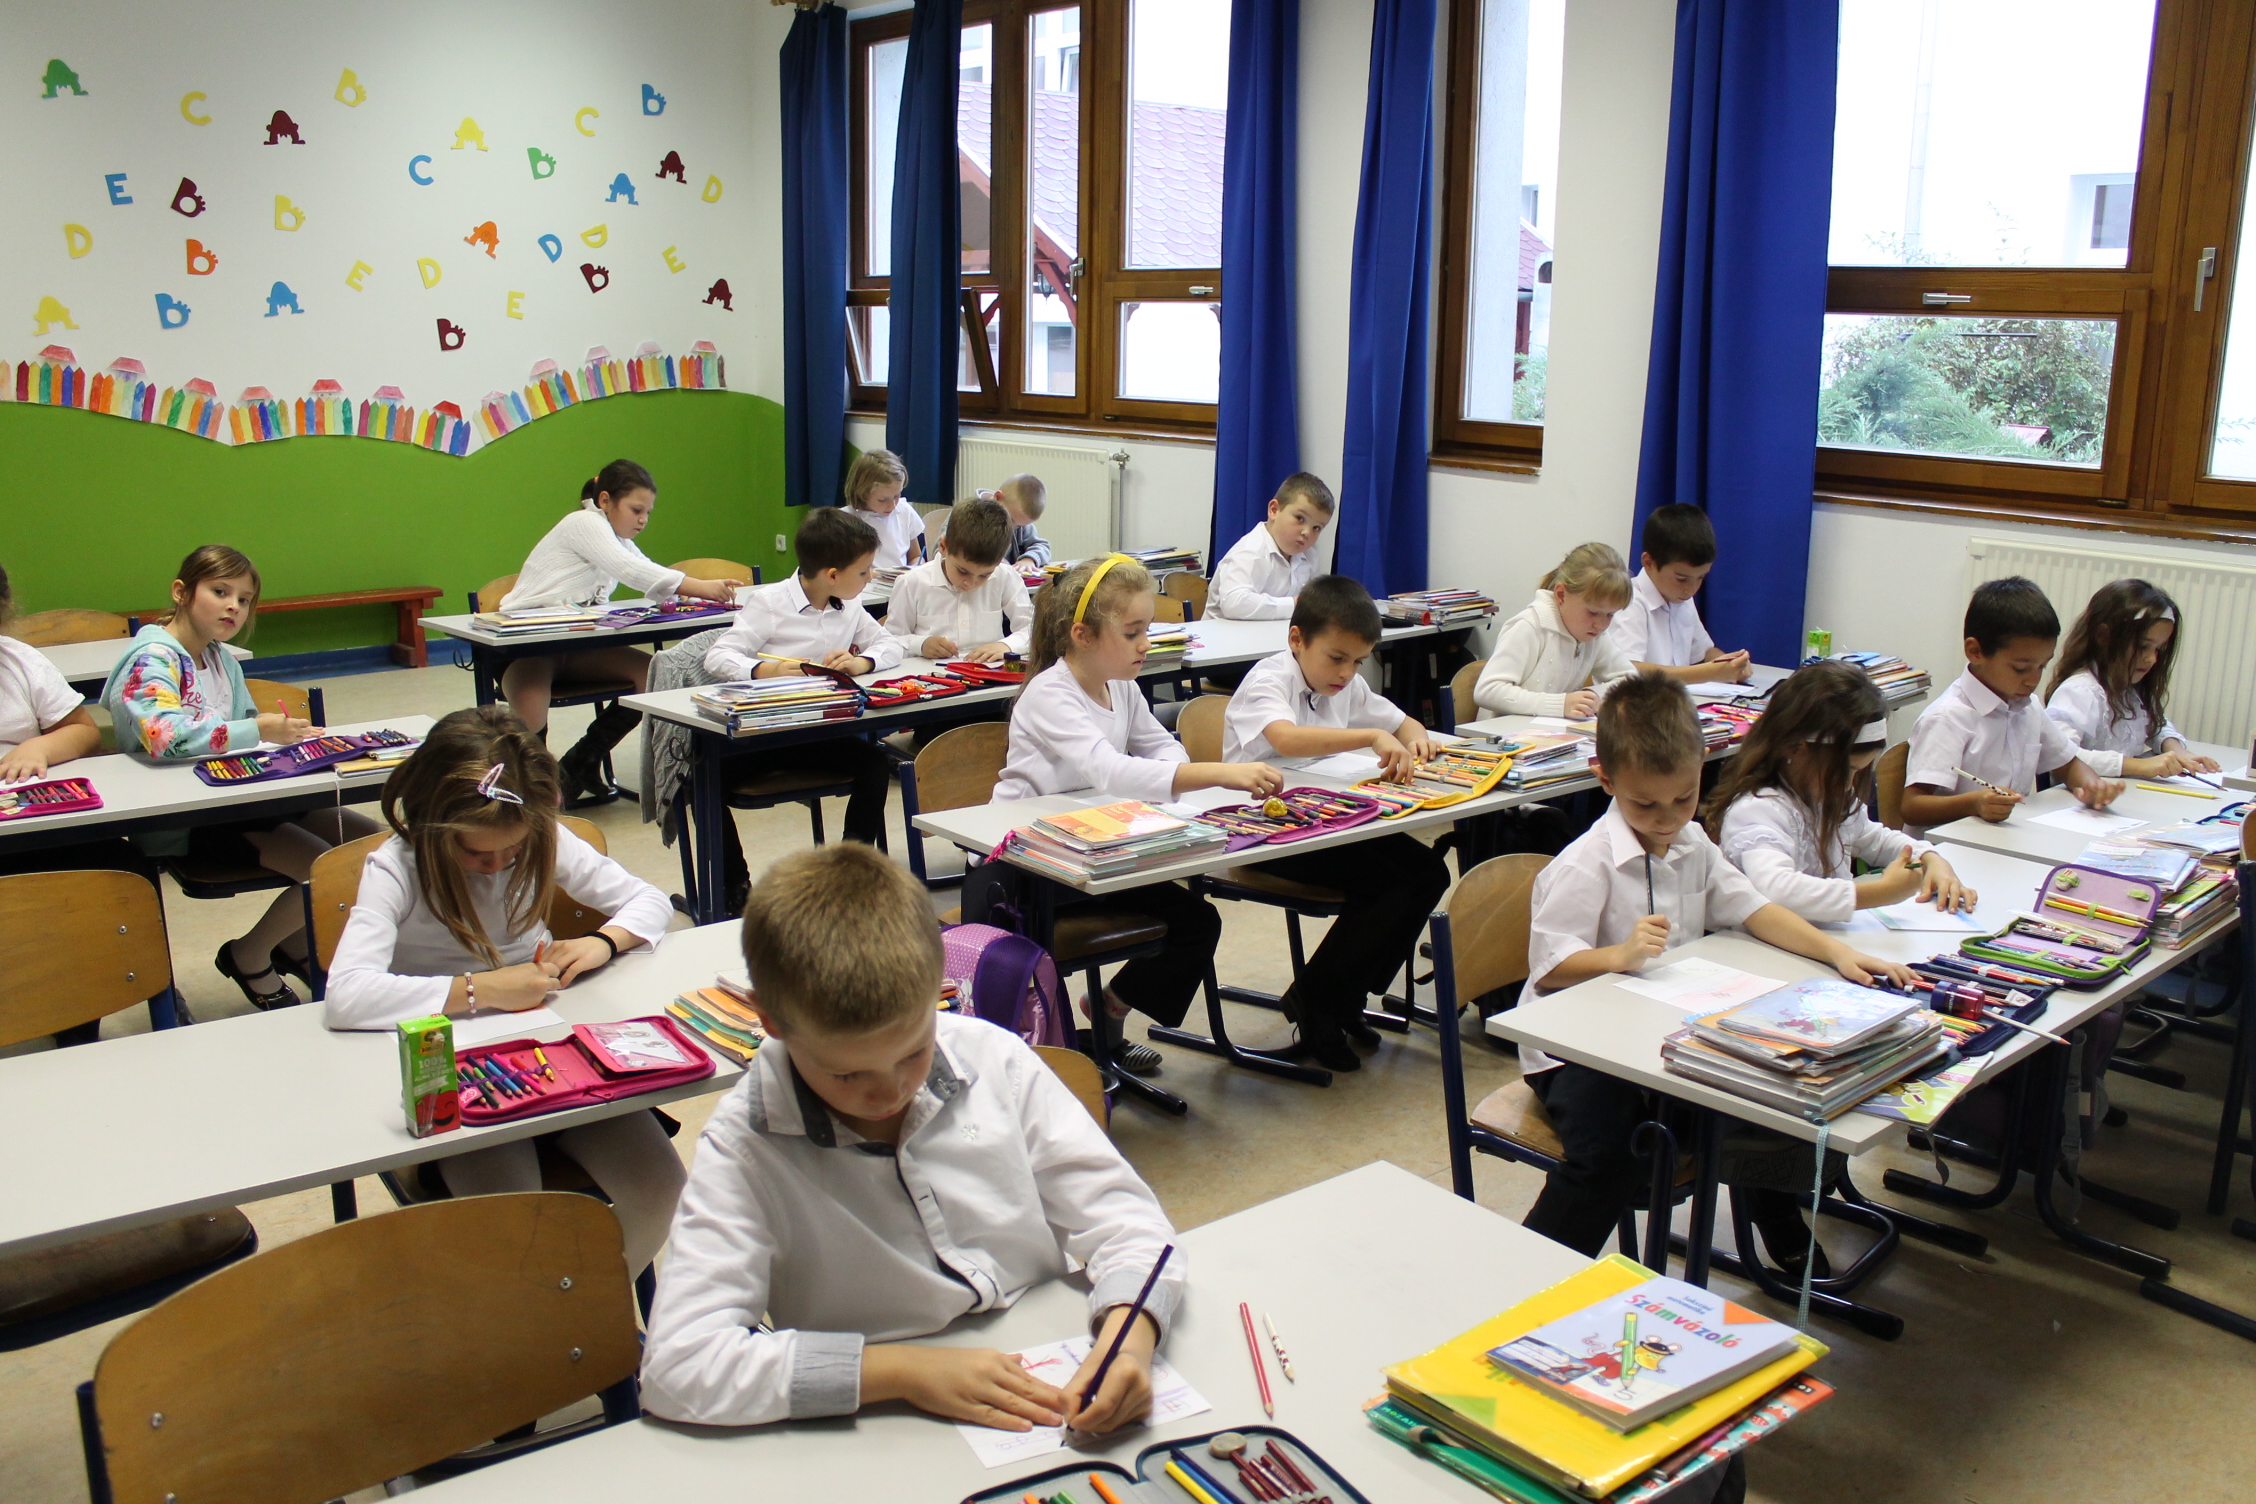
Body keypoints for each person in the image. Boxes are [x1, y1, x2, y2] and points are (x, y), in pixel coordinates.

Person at [640, 844, 1182, 1431]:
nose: (890, 1092)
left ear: (937, 991)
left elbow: (1129, 1224)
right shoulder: (745, 1145)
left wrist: (1130, 1340)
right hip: (885, 1421)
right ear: (771, 1021)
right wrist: (900, 1372)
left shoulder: (992, 1056)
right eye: (847, 1074)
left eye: (913, 1053)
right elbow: (678, 1367)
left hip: (1046, 1358)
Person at [1520, 673, 1916, 1263]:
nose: (1666, 818)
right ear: (1606, 780)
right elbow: (1550, 969)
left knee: (1754, 1096)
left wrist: (1836, 952)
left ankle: (1778, 1228)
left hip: (1659, 1031)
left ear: (1701, 770)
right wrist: (1616, 957)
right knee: (1612, 1155)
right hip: (1573, 1051)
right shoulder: (1586, 864)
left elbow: (1755, 909)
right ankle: (1533, 1274)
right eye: (1645, 804)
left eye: (1683, 798)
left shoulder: (1693, 843)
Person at [323, 707, 684, 1274]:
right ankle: (541, 1320)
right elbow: (346, 995)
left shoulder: (539, 833)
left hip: (559, 1054)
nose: (497, 866)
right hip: (456, 1068)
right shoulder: (396, 866)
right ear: (432, 824)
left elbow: (650, 901)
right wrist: (482, 989)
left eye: (511, 851)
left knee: (663, 1189)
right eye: (475, 854)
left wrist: (603, 942)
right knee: (520, 1222)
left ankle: (585, 1316)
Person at [985, 554, 1281, 1074]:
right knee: (1041, 954)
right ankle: (1050, 1053)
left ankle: (1107, 1012)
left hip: (1095, 851)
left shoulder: (1121, 683)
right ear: (1082, 635)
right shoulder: (1050, 692)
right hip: (1026, 867)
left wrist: (1180, 778)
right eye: (1132, 632)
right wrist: (1218, 773)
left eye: (1147, 629)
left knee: (1197, 923)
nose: (1146, 643)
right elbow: (1109, 770)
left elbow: (1160, 747)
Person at [101, 545, 376, 1010]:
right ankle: (249, 954)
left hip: (242, 797)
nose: (234, 606)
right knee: (331, 869)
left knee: (377, 848)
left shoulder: (219, 657)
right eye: (220, 592)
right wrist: (259, 730)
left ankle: (293, 942)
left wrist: (289, 741)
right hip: (189, 817)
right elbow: (164, 737)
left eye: (244, 599)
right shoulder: (151, 657)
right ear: (181, 592)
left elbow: (246, 730)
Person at [1221, 575, 1453, 1071]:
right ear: (1297, 639)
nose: (1347, 673)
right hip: (1263, 829)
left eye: (1358, 662)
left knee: (1429, 873)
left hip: (1324, 819)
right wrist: (1369, 736)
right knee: (1386, 885)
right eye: (1337, 658)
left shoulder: (1347, 683)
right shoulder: (1268, 680)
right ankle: (1320, 1001)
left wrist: (1418, 737)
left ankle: (1343, 996)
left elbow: (1400, 722)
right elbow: (1286, 738)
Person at [498, 460, 743, 807]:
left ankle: (580, 763)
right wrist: (701, 586)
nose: (643, 520)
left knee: (653, 676)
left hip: (577, 646)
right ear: (604, 501)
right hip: (527, 647)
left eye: (648, 513)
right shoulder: (583, 522)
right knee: (531, 704)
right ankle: (535, 793)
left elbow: (648, 570)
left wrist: (687, 595)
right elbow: (630, 570)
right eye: (636, 510)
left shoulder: (616, 536)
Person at [1708, 660, 1975, 922]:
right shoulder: (1756, 810)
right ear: (1793, 747)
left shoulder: (1828, 797)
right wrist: (1880, 892)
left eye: (1859, 772)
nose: (1849, 785)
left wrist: (1929, 858)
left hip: (1817, 940)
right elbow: (1777, 890)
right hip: (1761, 946)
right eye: (1846, 770)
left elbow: (1878, 840)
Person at [704, 505, 902, 850]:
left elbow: (890, 644)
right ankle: (734, 878)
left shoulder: (850, 604)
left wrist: (861, 662)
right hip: (765, 735)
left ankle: (851, 866)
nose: (870, 577)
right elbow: (717, 656)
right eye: (863, 571)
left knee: (874, 764)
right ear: (832, 575)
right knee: (704, 779)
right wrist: (766, 670)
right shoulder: (769, 604)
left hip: (819, 732)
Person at [1902, 577, 2125, 833]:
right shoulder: (1948, 717)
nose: (2033, 680)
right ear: (1975, 651)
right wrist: (1974, 804)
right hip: (1948, 848)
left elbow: (2067, 763)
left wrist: (2091, 786)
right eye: (2021, 668)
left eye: (2042, 666)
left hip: (2001, 838)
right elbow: (1912, 807)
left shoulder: (2028, 707)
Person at [0, 562, 157, 899]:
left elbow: (85, 733)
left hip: (35, 825)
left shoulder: (19, 661)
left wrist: (40, 747)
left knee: (126, 867)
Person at [2045, 578, 2222, 780]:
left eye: (2158, 649)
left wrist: (2176, 750)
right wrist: (2139, 765)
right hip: (2076, 798)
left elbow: (2156, 725)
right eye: (2143, 646)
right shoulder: (2080, 691)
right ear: (2104, 636)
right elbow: (2059, 754)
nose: (2152, 659)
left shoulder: (2128, 689)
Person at [1474, 542, 1637, 717]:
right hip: (1504, 731)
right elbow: (1487, 690)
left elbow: (1631, 680)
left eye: (1610, 615)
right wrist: (1560, 704)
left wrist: (1593, 696)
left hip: (1549, 730)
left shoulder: (1596, 635)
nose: (1602, 625)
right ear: (1561, 595)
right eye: (1593, 612)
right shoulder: (1529, 627)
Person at [1607, 504, 1752, 684]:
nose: (1692, 589)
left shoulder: (1682, 598)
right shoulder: (1629, 601)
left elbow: (1704, 652)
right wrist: (1710, 673)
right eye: (1682, 579)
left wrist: (1731, 664)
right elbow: (1629, 670)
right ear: (1649, 562)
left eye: (1701, 578)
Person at [884, 496, 1034, 663]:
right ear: (943, 547)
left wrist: (1006, 646)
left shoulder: (1005, 576)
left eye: (984, 575)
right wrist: (921, 645)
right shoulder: (912, 583)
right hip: (930, 675)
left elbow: (1033, 629)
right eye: (963, 571)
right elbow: (889, 641)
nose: (971, 583)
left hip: (989, 673)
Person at [1208, 473, 1333, 621]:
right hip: (1223, 633)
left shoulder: (1309, 556)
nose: (1307, 532)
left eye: (1316, 528)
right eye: (1300, 518)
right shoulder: (1250, 550)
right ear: (1274, 510)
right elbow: (1233, 603)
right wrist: (1294, 604)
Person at [843, 448, 925, 571]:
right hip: (867, 582)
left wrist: (916, 568)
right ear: (862, 494)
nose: (892, 505)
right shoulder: (845, 520)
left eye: (896, 496)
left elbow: (916, 556)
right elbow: (845, 570)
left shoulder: (904, 511)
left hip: (901, 580)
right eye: (882, 500)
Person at [981, 474, 1052, 570]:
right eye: (1011, 520)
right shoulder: (970, 518)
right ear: (997, 497)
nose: (1012, 527)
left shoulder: (1020, 522)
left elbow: (1042, 546)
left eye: (1019, 526)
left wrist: (1029, 559)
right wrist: (990, 561)